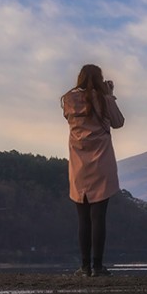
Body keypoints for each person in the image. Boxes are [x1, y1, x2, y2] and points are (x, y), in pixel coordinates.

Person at [61, 64, 125, 277]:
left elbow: (69, 116)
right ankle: (98, 266)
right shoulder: (103, 100)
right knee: (99, 218)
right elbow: (118, 122)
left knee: (83, 218)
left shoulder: (69, 100)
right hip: (101, 164)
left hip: (78, 165)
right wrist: (109, 95)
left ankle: (84, 266)